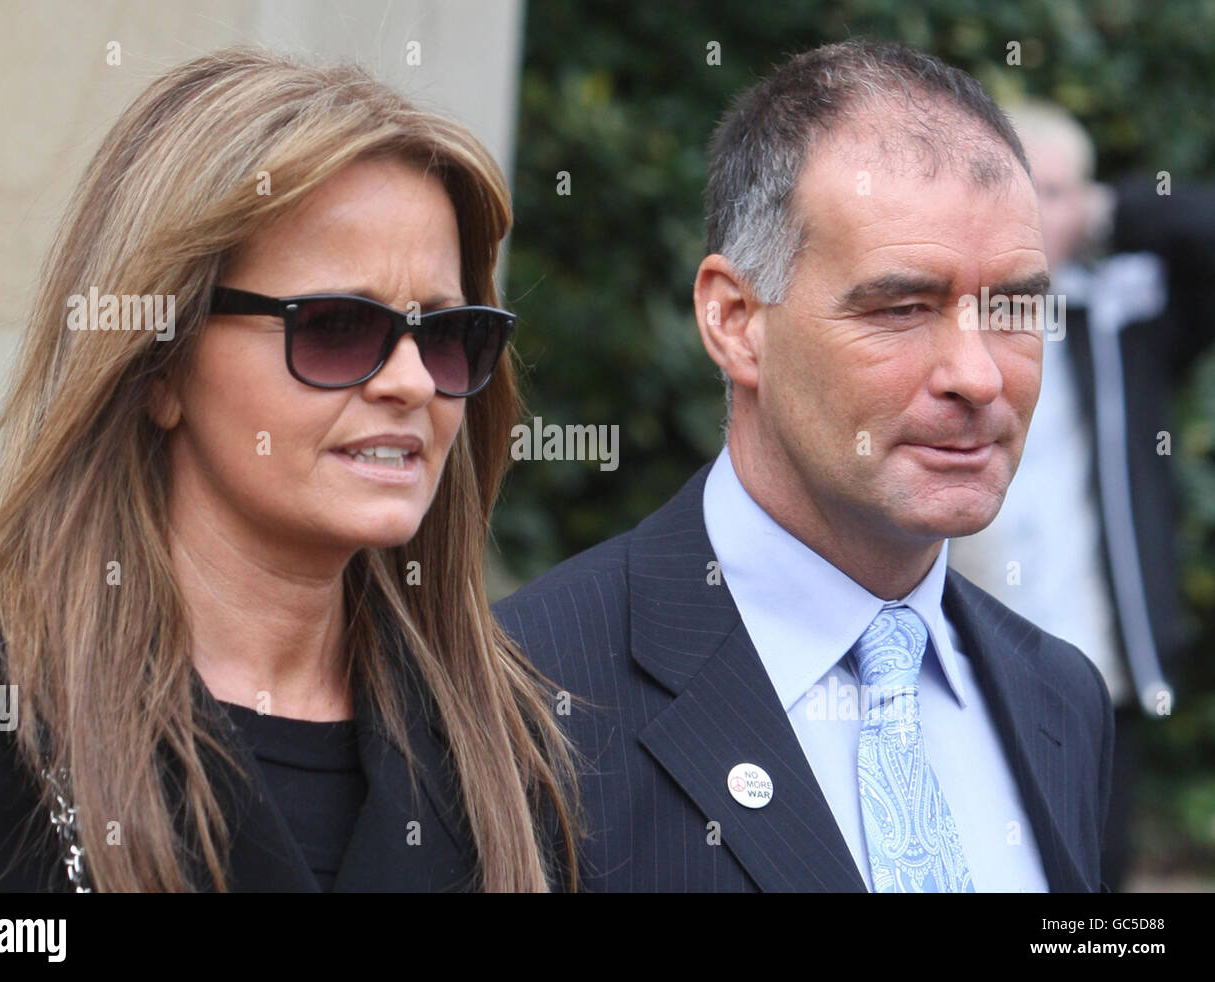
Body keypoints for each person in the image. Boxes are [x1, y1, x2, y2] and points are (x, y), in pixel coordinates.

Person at [0, 48, 581, 893]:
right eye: (337, 326)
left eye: (449, 336)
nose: (412, 382)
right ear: (159, 366)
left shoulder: (515, 757)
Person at [495, 40, 1113, 892]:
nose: (977, 376)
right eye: (902, 308)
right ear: (735, 320)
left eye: (1012, 309)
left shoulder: (1060, 698)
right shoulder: (528, 695)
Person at [950, 101, 1215, 890]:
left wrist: (1114, 212)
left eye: (1057, 192)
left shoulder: (1123, 320)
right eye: (1018, 186)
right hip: (959, 648)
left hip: (1096, 659)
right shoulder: (943, 319)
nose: (1035, 211)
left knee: (1091, 874)